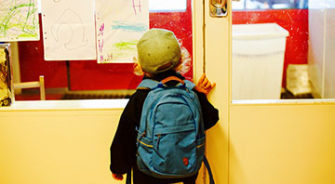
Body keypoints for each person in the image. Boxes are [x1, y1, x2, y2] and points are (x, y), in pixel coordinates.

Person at [110, 28, 219, 184]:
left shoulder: (141, 97)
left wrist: (118, 167)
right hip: (186, 169)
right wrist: (200, 95)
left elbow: (124, 136)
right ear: (181, 59)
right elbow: (211, 119)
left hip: (148, 172)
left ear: (140, 66)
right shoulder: (189, 92)